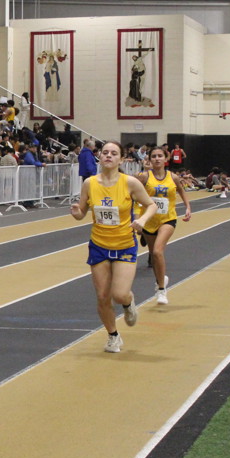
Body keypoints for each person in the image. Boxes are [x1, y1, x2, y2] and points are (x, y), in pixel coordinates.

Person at [69, 141, 157, 353]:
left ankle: (128, 302)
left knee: (119, 294)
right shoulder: (90, 183)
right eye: (105, 152)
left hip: (124, 244)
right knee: (102, 296)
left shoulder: (130, 183)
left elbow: (151, 205)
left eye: (114, 153)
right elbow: (82, 212)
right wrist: (77, 213)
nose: (108, 155)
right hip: (99, 244)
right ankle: (113, 336)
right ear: (100, 157)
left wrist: (142, 220)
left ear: (121, 159)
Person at [136, 147, 192, 305]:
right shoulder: (144, 177)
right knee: (154, 256)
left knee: (158, 251)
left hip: (168, 219)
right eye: (154, 156)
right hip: (149, 220)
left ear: (165, 158)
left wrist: (188, 207)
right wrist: (137, 217)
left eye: (160, 156)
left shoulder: (173, 177)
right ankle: (160, 279)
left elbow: (181, 190)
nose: (157, 158)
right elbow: (133, 194)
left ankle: (161, 290)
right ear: (149, 159)